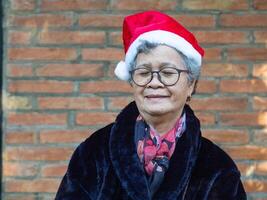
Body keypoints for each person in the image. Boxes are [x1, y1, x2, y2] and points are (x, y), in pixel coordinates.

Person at [55, 10, 247, 200]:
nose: (154, 82)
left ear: (191, 84)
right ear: (132, 82)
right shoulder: (93, 152)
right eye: (144, 73)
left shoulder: (218, 169)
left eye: (168, 73)